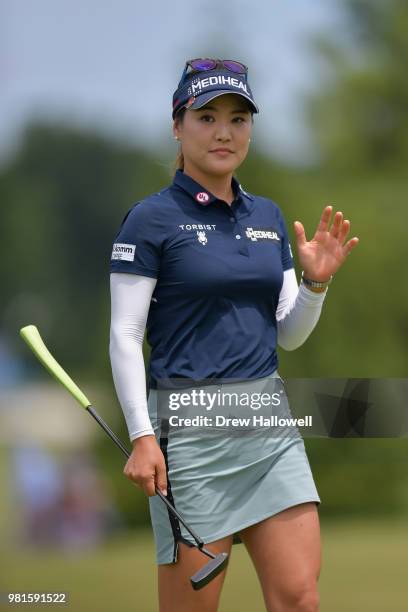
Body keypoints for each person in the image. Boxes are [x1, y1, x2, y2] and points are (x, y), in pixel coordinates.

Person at [109, 58, 359, 612]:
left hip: (267, 424)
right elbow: (125, 334)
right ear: (178, 125)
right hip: (190, 435)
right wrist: (143, 436)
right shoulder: (149, 220)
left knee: (300, 599)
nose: (224, 131)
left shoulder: (267, 216)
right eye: (207, 116)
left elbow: (289, 335)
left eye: (239, 118)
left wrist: (316, 283)